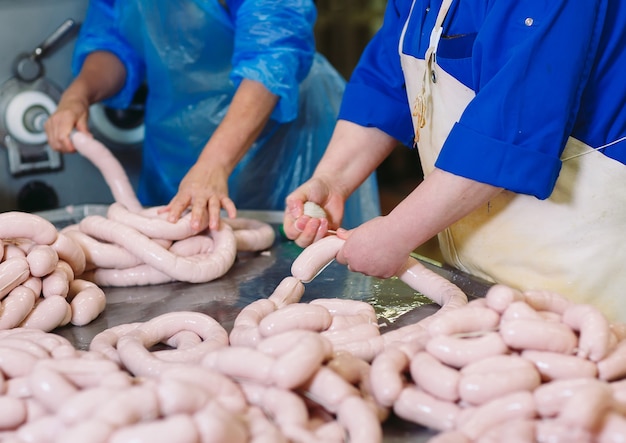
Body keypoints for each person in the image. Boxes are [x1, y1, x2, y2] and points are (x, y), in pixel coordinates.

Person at [283, 0, 626, 321]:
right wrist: (333, 179)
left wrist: (397, 233)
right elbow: (387, 83)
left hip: (584, 275)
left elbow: (511, 124)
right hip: (479, 270)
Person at [45, 0, 380, 232]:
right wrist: (78, 94)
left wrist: (215, 163)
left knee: (296, 259)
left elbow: (272, 55)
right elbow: (115, 41)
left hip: (279, 132)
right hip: (176, 135)